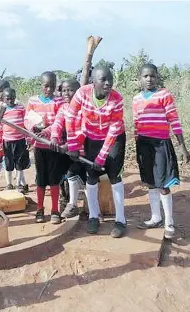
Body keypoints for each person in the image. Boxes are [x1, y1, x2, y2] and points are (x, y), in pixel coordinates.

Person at [66, 66, 127, 238]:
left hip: (114, 138)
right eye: (103, 79)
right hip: (91, 137)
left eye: (110, 79)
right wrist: (72, 145)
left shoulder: (117, 99)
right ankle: (94, 216)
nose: (108, 83)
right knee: (91, 176)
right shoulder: (82, 94)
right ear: (93, 81)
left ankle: (121, 220)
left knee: (114, 176)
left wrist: (102, 157)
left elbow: (114, 129)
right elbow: (70, 117)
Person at [134, 64, 190, 239]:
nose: (149, 79)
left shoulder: (164, 95)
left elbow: (174, 121)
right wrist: (138, 143)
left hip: (160, 144)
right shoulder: (136, 99)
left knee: (163, 184)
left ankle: (169, 223)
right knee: (150, 182)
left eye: (152, 75)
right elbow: (136, 123)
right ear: (140, 79)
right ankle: (155, 217)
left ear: (157, 77)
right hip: (143, 145)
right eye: (145, 76)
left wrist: (182, 146)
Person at [24, 71, 65, 224]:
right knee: (40, 178)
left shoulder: (60, 101)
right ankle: (40, 210)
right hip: (39, 146)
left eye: (52, 86)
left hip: (54, 146)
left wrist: (46, 131)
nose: (49, 89)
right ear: (41, 85)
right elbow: (27, 119)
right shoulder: (33, 101)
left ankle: (55, 211)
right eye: (46, 86)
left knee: (54, 178)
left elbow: (59, 122)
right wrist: (33, 129)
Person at [51, 78, 86, 218]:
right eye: (64, 90)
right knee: (71, 174)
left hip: (85, 151)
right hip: (72, 151)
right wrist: (54, 137)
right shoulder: (64, 108)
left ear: (78, 91)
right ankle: (71, 204)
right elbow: (57, 124)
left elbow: (85, 131)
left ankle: (87, 209)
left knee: (88, 179)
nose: (66, 93)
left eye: (70, 90)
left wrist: (69, 146)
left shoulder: (84, 108)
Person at [0, 88, 30, 193]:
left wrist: (28, 138)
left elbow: (26, 124)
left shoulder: (20, 108)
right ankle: (9, 184)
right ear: (4, 99)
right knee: (8, 163)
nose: (10, 101)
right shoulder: (2, 110)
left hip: (20, 140)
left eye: (12, 98)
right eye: (8, 99)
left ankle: (18, 184)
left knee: (19, 163)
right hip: (7, 141)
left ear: (15, 98)